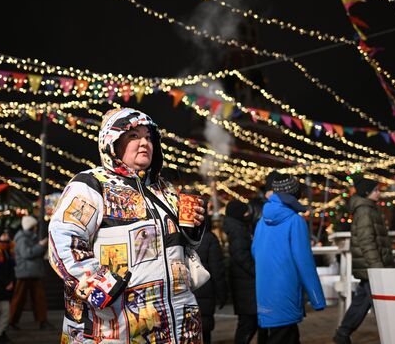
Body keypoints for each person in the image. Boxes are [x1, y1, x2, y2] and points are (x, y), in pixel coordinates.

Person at [48, 107, 206, 344]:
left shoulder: (165, 190)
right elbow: (63, 240)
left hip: (177, 324)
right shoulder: (92, 185)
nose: (144, 143)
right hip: (117, 326)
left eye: (148, 137)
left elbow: (182, 247)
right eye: (133, 135)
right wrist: (103, 286)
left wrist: (193, 229)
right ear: (111, 142)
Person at [252, 174, 326, 344]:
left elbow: (255, 251)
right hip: (286, 289)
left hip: (265, 290)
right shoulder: (295, 221)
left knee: (286, 335)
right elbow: (304, 262)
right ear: (295, 194)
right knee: (284, 336)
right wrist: (317, 299)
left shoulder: (262, 221)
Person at [333, 175, 394, 344]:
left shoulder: (369, 208)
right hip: (372, 266)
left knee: (363, 300)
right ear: (367, 192)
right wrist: (377, 268)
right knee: (381, 304)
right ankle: (393, 334)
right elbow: (366, 241)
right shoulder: (365, 211)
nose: (379, 192)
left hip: (372, 266)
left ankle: (343, 333)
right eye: (376, 190)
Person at [223, 199, 258, 344]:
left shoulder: (238, 227)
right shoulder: (238, 230)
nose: (248, 214)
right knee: (248, 323)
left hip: (244, 283)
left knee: (248, 322)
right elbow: (240, 254)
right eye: (245, 212)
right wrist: (256, 271)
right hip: (245, 284)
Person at [9, 215, 51, 330]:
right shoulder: (22, 238)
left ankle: (42, 320)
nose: (36, 228)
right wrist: (40, 246)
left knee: (37, 298)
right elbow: (27, 254)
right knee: (22, 298)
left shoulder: (28, 237)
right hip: (25, 272)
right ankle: (12, 321)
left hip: (32, 271)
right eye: (34, 226)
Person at [193, 210, 228, 344]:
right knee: (205, 332)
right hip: (205, 290)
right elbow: (217, 269)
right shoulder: (209, 238)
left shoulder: (180, 237)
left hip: (186, 291)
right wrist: (222, 293)